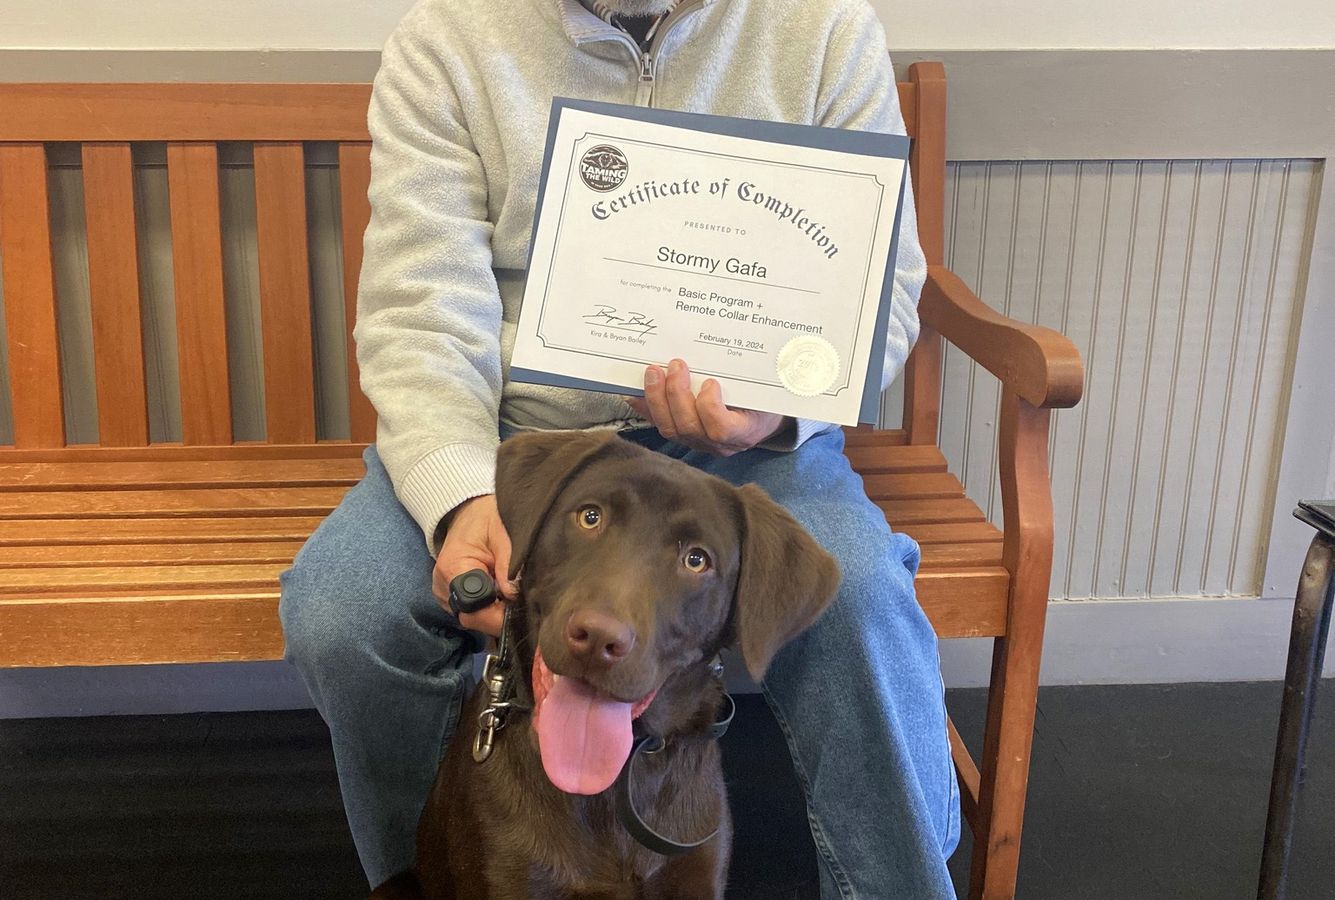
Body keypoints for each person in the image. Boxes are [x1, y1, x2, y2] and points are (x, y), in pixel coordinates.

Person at [278, 0, 960, 896]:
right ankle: (439, 873)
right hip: (523, 442)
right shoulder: (448, 39)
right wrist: (460, 496)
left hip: (747, 458)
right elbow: (420, 314)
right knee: (343, 611)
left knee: (861, 601)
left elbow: (881, 289)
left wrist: (773, 404)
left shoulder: (823, 31)